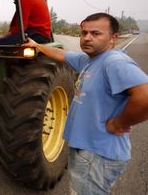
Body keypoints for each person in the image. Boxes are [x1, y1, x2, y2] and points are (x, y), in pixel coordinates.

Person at [25, 13, 148, 194]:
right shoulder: (89, 60)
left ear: (113, 37)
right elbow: (62, 54)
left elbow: (144, 98)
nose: (87, 38)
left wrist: (118, 123)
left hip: (98, 155)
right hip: (87, 150)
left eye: (95, 33)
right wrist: (37, 46)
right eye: (84, 33)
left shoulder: (114, 62)